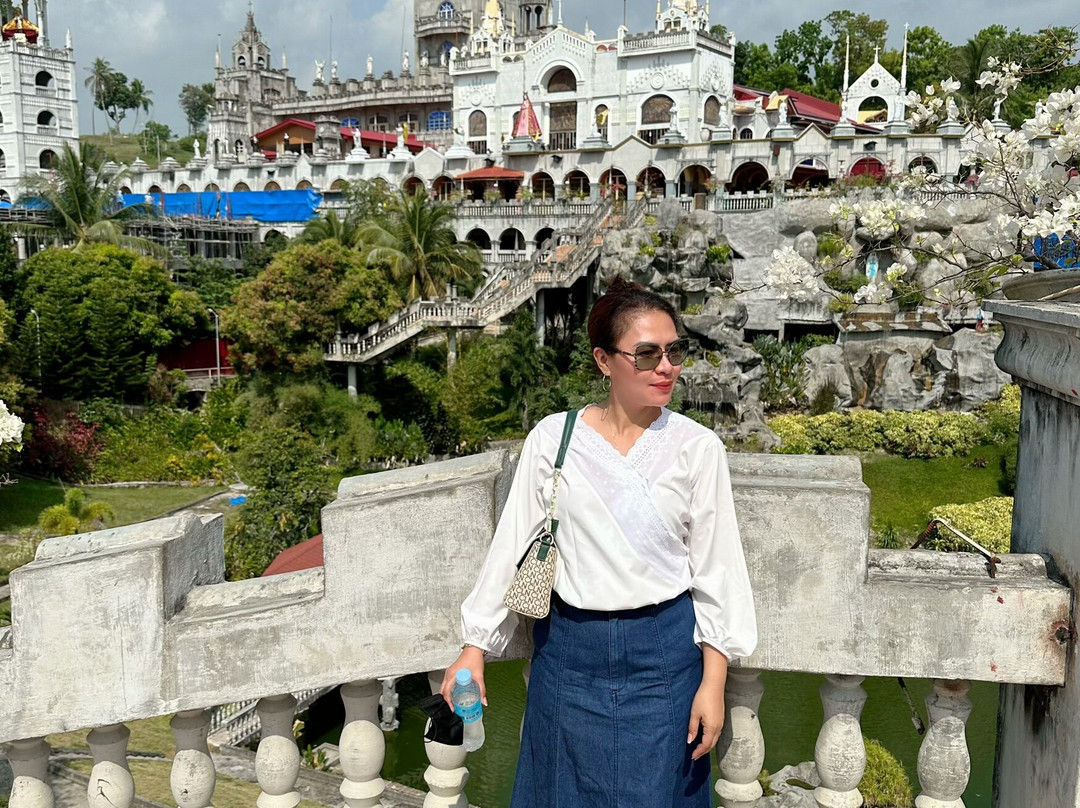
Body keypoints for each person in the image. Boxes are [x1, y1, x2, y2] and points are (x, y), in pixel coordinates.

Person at [441, 278, 757, 807]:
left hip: (664, 657)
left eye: (674, 351)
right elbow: (514, 546)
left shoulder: (697, 448)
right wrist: (475, 646)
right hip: (568, 653)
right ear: (604, 361)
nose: (666, 367)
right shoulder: (553, 439)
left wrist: (714, 682)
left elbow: (718, 568)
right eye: (647, 353)